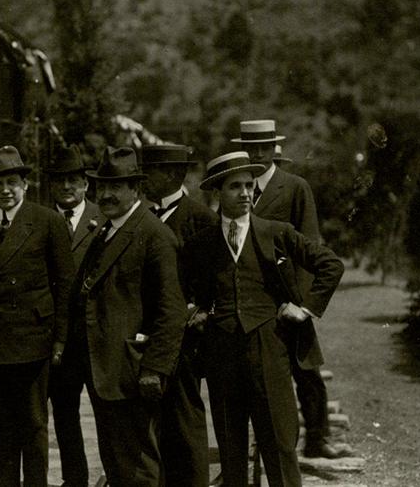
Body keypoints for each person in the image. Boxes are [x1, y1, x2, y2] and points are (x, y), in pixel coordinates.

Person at [185, 151, 344, 487]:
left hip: (269, 351)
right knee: (231, 450)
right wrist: (198, 313)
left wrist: (305, 308)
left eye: (249, 186)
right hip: (221, 357)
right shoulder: (201, 244)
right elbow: (190, 292)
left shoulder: (276, 233)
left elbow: (330, 265)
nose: (245, 193)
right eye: (235, 187)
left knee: (279, 444)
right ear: (218, 191)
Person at [0, 145, 74, 487]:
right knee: (1, 425)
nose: (5, 190)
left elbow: (64, 285)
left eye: (12, 181)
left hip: (34, 342)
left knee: (35, 424)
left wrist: (60, 339)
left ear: (24, 183)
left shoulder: (47, 221)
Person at [236, 119, 351, 459]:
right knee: (257, 375)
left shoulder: (294, 187)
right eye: (250, 147)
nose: (257, 153)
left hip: (288, 298)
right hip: (252, 298)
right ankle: (261, 446)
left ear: (275, 148)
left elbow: (310, 247)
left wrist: (302, 304)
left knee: (306, 371)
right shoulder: (237, 187)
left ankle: (317, 439)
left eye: (263, 147)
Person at [71, 146, 186, 485]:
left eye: (115, 187)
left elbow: (172, 311)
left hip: (133, 373)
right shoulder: (105, 231)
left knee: (139, 467)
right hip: (106, 370)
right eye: (101, 187)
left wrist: (154, 369)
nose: (105, 194)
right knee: (117, 462)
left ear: (135, 189)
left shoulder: (153, 235)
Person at [141, 144, 217, 487]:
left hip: (185, 342)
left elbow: (217, 279)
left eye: (150, 172)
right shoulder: (142, 217)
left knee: (184, 421)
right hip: (147, 337)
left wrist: (201, 311)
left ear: (173, 175)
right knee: (150, 426)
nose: (144, 180)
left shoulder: (200, 218)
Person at [44, 143, 101, 487]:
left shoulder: (103, 217)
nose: (67, 187)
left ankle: (115, 476)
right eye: (61, 180)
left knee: (107, 412)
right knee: (64, 414)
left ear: (85, 184)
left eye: (74, 180)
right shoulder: (41, 221)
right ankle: (75, 479)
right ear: (52, 185)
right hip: (58, 339)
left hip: (96, 335)